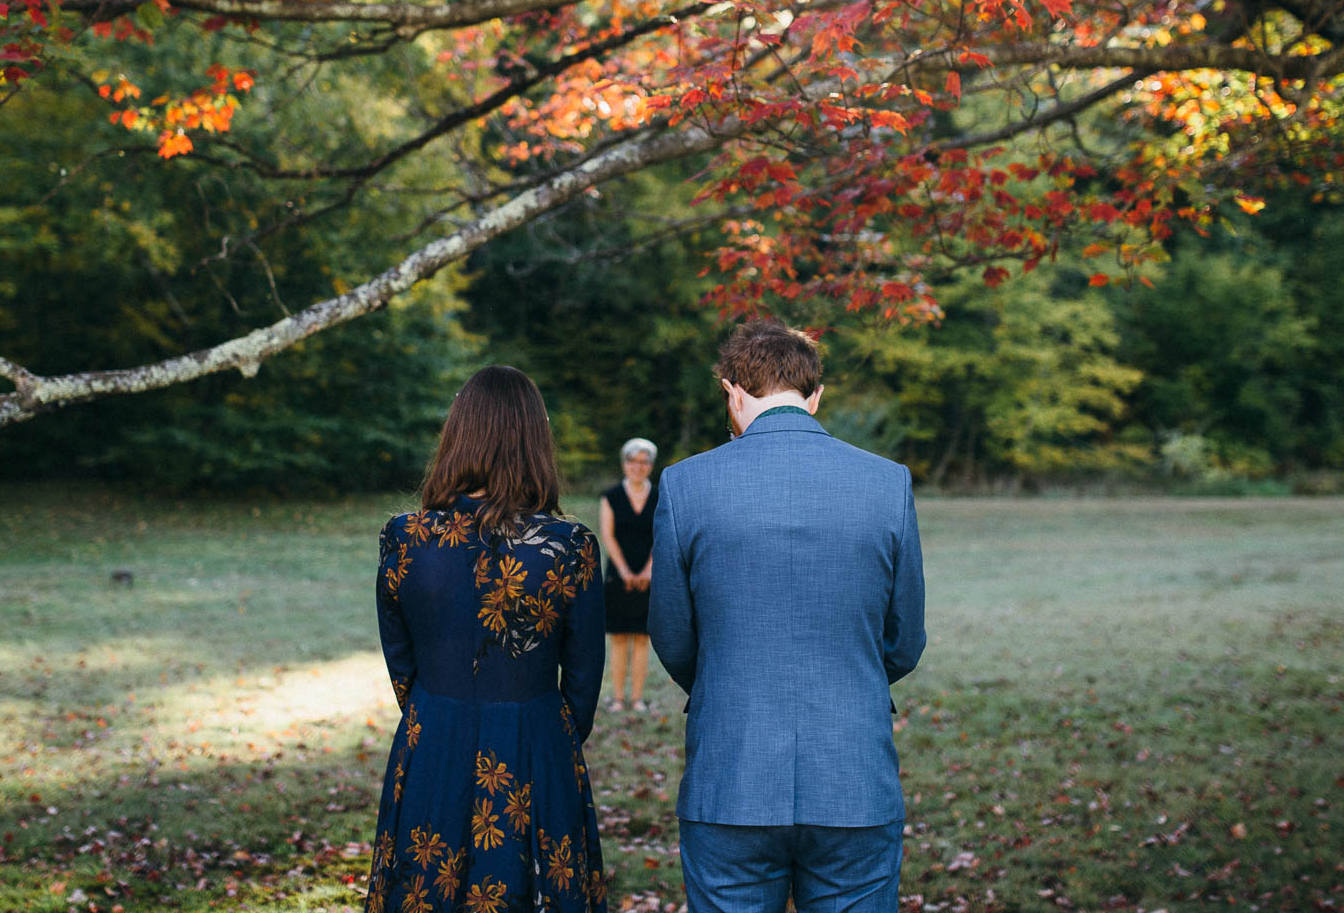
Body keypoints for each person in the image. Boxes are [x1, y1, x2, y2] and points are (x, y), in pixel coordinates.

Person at [648, 320, 927, 913]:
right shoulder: (887, 483)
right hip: (852, 774)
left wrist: (728, 679)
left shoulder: (683, 485)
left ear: (732, 392)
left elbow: (673, 637)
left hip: (731, 773)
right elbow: (904, 641)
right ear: (815, 396)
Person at [367, 365, 610, 913]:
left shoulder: (406, 538)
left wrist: (441, 712)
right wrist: (541, 727)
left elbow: (400, 661)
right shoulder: (570, 546)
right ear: (535, 441)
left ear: (457, 435)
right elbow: (584, 679)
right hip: (536, 742)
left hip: (432, 739)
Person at [598, 437, 661, 713]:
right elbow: (608, 536)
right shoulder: (611, 496)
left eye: (644, 461)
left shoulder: (660, 496)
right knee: (620, 637)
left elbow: (662, 536)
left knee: (642, 637)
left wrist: (648, 570)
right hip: (617, 574)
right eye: (633, 461)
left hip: (650, 572)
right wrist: (624, 571)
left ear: (650, 465)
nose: (638, 466)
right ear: (625, 463)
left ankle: (637, 699)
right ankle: (618, 698)